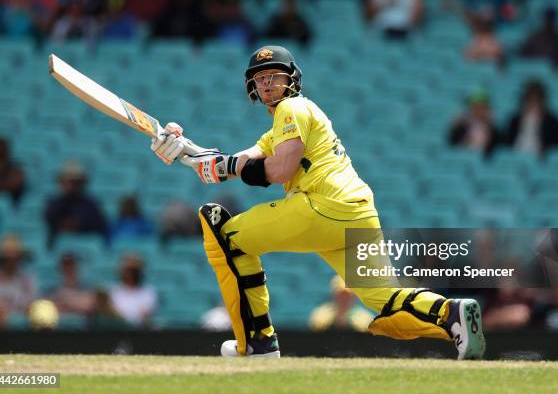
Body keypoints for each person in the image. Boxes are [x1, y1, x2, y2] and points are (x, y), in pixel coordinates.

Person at [150, 45, 486, 359]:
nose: (267, 83)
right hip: (357, 212)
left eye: (274, 75)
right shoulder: (282, 126)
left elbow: (280, 170)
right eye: (260, 77)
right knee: (383, 297)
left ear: (290, 79)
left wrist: (223, 166)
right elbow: (236, 161)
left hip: (322, 206)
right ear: (252, 85)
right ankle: (451, 313)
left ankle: (257, 342)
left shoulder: (291, 107)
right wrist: (185, 151)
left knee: (228, 239)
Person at [44, 161, 107, 246]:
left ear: (82, 183)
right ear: (61, 182)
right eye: (67, 181)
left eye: (75, 182)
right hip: (59, 249)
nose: (71, 185)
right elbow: (49, 218)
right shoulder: (54, 202)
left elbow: (99, 224)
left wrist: (77, 224)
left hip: (85, 248)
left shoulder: (91, 204)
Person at [504, 79, 558, 157]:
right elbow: (506, 144)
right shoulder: (515, 120)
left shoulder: (552, 122)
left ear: (543, 102)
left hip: (541, 161)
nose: (533, 104)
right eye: (530, 100)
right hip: (516, 158)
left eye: (536, 100)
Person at [0, 234, 35, 329]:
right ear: (2, 259)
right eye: (8, 258)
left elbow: (33, 307)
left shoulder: (28, 281)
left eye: (15, 258)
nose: (12, 262)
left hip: (22, 332)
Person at [309, 276, 373, 332]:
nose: (344, 298)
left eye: (347, 295)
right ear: (333, 295)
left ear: (353, 297)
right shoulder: (319, 317)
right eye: (341, 294)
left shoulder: (365, 320)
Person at [448, 88, 501, 157]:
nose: (478, 110)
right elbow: (452, 144)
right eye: (474, 106)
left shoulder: (493, 129)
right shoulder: (462, 126)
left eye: (481, 106)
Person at [109, 254, 157, 327]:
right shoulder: (113, 291)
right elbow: (113, 315)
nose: (130, 274)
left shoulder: (149, 291)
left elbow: (144, 316)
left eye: (133, 270)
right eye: (127, 270)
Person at [0, 137, 26, 205]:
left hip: (10, 207)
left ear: (7, 150)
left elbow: (14, 185)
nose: (0, 151)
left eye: (3, 149)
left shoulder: (15, 167)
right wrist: (5, 185)